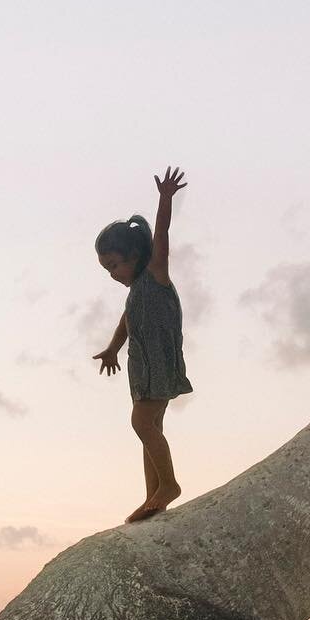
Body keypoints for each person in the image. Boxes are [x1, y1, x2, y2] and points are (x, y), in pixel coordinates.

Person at [92, 165, 193, 523]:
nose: (112, 274)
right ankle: (154, 497)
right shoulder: (135, 292)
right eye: (106, 269)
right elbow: (127, 321)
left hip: (160, 364)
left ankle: (168, 486)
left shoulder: (155, 272)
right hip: (141, 367)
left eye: (114, 265)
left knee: (142, 423)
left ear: (135, 255)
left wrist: (165, 199)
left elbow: (162, 232)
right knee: (151, 429)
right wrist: (112, 348)